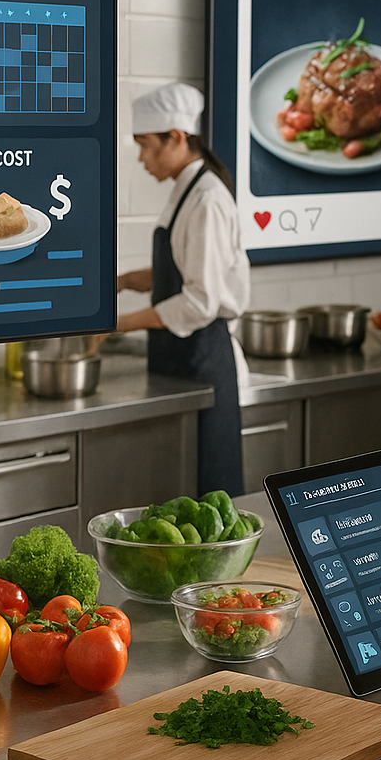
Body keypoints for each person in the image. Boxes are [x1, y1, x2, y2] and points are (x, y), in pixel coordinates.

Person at [115, 83, 250, 497]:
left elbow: (198, 301)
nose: (141, 159)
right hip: (180, 362)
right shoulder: (187, 190)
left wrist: (116, 325)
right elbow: (179, 270)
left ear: (175, 137)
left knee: (208, 500)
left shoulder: (206, 198)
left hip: (202, 361)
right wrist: (119, 283)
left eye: (145, 145)